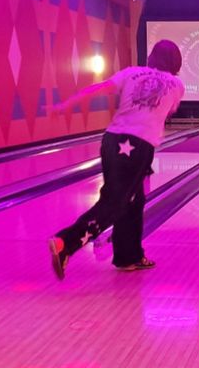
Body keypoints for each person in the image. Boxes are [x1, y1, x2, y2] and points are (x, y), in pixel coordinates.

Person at [48, 39, 184, 280]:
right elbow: (169, 111)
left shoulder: (131, 73)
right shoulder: (176, 84)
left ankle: (128, 256)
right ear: (176, 62)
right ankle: (66, 243)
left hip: (111, 140)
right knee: (116, 202)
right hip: (139, 144)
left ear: (152, 57)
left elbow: (98, 88)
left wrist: (66, 104)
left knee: (134, 201)